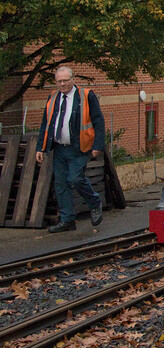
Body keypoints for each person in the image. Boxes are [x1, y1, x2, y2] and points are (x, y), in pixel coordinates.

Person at [36, 66, 106, 233]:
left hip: (79, 147)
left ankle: (94, 202)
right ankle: (67, 220)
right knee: (61, 184)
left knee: (75, 179)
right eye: (59, 81)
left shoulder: (86, 95)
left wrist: (98, 145)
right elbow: (45, 124)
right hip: (59, 148)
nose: (62, 84)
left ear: (73, 80)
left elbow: (99, 121)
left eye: (65, 80)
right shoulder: (53, 98)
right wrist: (41, 147)